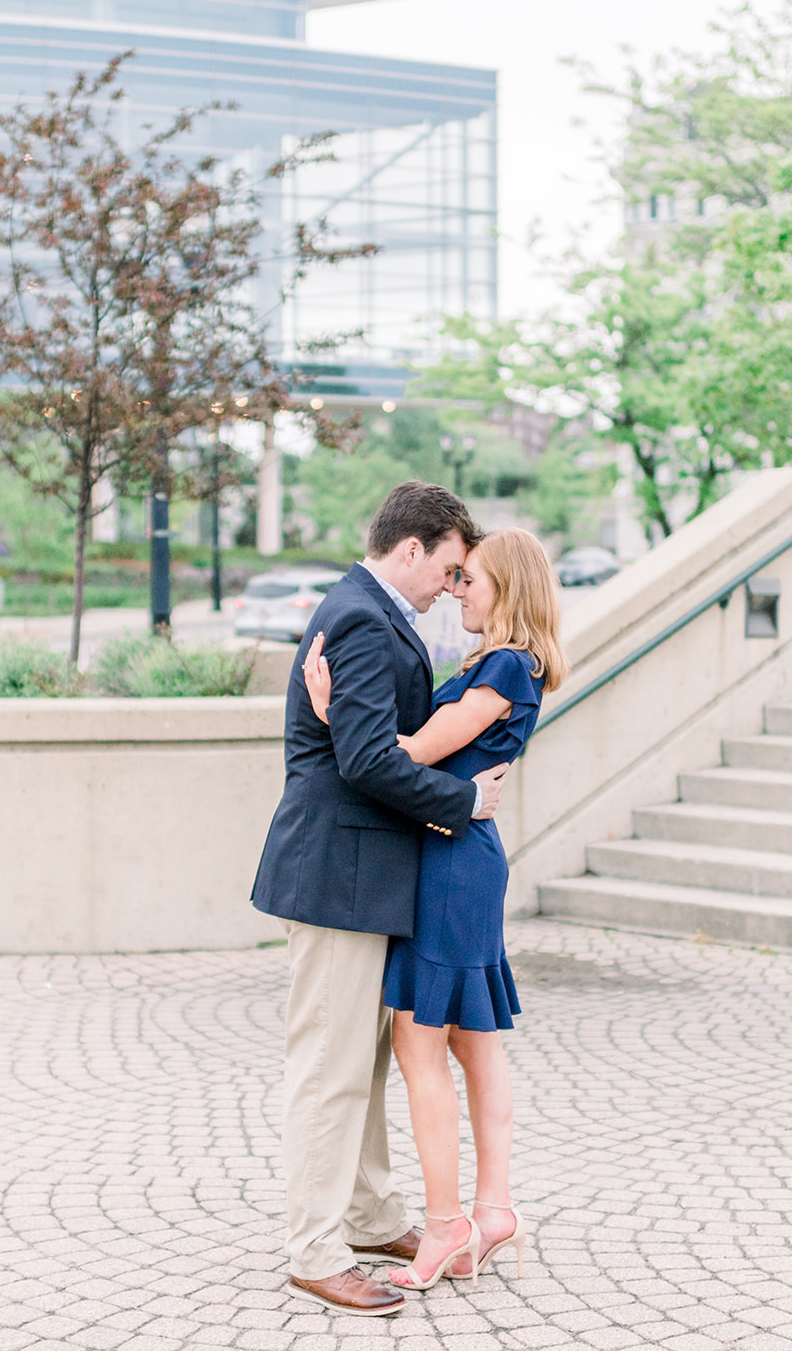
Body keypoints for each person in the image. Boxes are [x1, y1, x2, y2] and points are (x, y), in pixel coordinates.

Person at [249, 481, 511, 1318]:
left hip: (364, 876)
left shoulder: (368, 611)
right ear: (413, 549)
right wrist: (463, 803)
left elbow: (362, 744)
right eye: (448, 567)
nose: (451, 585)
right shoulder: (362, 615)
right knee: (329, 1071)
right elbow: (364, 760)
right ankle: (316, 1249)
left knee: (359, 1063)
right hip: (339, 876)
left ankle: (367, 1214)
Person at [301, 527, 567, 1296]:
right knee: (473, 1044)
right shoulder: (502, 664)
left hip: (453, 867)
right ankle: (491, 1212)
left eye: (471, 579)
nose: (457, 590)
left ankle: (451, 1224)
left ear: (509, 588)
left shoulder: (508, 666)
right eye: (454, 576)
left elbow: (411, 753)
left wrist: (333, 715)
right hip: (456, 860)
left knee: (421, 1046)